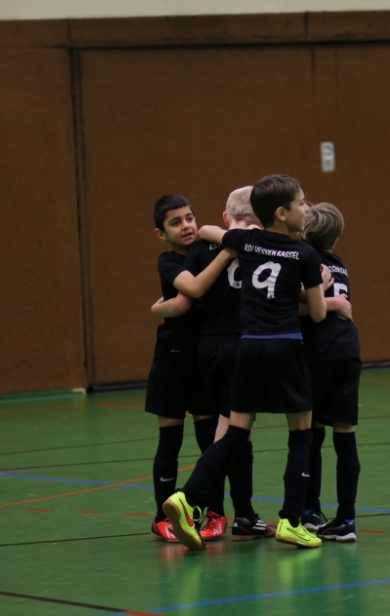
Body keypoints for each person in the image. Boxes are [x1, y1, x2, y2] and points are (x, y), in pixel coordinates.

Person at [162, 174, 330, 551]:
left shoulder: (246, 241)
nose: (307, 209)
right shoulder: (304, 254)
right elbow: (318, 314)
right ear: (282, 213)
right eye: (302, 203)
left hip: (248, 347)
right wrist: (321, 282)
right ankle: (291, 521)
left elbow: (207, 230)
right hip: (286, 347)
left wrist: (233, 235)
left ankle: (186, 497)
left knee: (236, 433)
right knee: (301, 434)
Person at [174, 186, 275, 541]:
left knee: (237, 430)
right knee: (234, 433)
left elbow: (187, 296)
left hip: (209, 346)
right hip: (244, 344)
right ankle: (193, 502)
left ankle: (243, 514)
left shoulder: (203, 246)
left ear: (225, 217)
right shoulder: (263, 245)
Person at [146, 195, 232, 542]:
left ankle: (215, 512)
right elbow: (187, 296)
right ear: (161, 233)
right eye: (176, 222)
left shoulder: (208, 250)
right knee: (170, 439)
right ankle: (161, 517)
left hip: (204, 360)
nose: (186, 226)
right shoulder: (168, 261)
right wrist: (228, 251)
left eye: (189, 218)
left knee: (210, 440)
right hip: (172, 359)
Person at [299, 202, 361, 543]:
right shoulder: (339, 263)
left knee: (311, 430)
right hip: (348, 348)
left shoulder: (304, 259)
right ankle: (347, 518)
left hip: (318, 350)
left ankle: (310, 510)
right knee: (345, 432)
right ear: (335, 238)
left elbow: (295, 304)